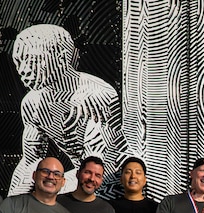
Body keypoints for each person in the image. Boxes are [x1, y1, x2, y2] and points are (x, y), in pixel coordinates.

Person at [9, 24, 127, 197]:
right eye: (19, 61)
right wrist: (13, 200)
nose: (24, 70)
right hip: (76, 181)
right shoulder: (32, 103)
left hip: (113, 183)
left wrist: (51, 188)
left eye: (32, 61)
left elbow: (102, 167)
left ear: (61, 58)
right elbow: (30, 161)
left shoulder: (97, 95)